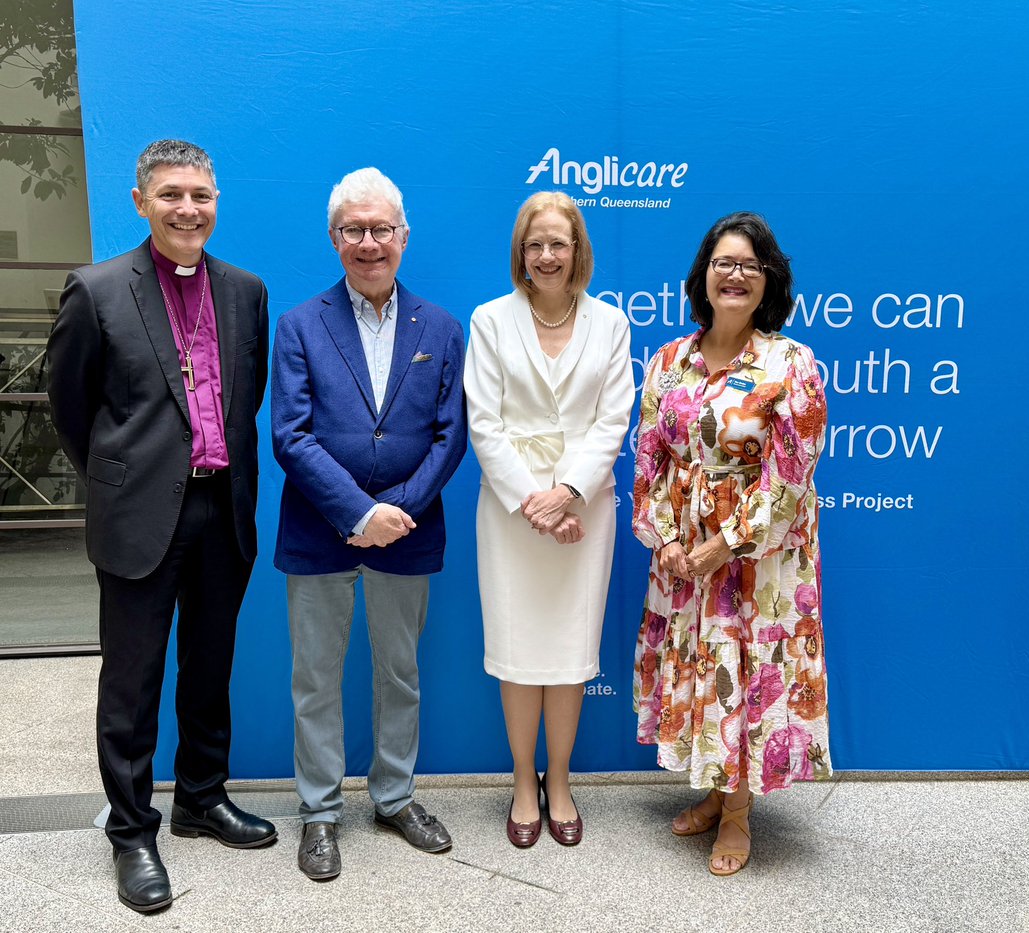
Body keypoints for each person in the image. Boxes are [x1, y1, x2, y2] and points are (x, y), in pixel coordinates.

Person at [45, 139, 275, 913]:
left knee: (209, 670)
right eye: (172, 194)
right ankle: (133, 830)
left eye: (201, 195)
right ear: (141, 201)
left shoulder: (246, 290)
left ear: (216, 201)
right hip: (140, 513)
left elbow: (247, 401)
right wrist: (122, 477)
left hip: (222, 509)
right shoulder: (98, 289)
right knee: (133, 681)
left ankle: (201, 798)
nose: (189, 208)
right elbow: (73, 410)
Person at [272, 167, 467, 881]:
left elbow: (452, 437)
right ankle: (320, 812)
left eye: (380, 228)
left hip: (408, 532)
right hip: (319, 530)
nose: (368, 242)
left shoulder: (441, 328)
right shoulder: (298, 324)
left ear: (403, 237)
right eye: (353, 229)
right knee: (316, 678)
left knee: (400, 673)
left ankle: (393, 797)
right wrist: (357, 511)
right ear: (334, 238)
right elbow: (290, 435)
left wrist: (397, 512)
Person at [631, 211, 830, 876]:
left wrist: (723, 544)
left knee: (741, 676)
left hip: (754, 566)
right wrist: (664, 540)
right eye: (723, 262)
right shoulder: (669, 360)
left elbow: (792, 479)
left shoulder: (790, 363)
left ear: (768, 278)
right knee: (704, 672)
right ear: (704, 277)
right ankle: (720, 792)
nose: (735, 274)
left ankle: (740, 815)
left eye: (748, 264)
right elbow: (649, 456)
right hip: (683, 560)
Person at [464, 191, 633, 848]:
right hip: (511, 516)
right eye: (535, 244)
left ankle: (558, 779)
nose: (546, 255)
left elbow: (612, 420)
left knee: (567, 657)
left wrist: (567, 494)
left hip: (585, 514)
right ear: (520, 253)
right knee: (518, 656)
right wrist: (537, 504)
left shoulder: (611, 324)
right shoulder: (489, 320)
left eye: (558, 243)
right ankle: (523, 782)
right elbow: (486, 422)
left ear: (577, 250)